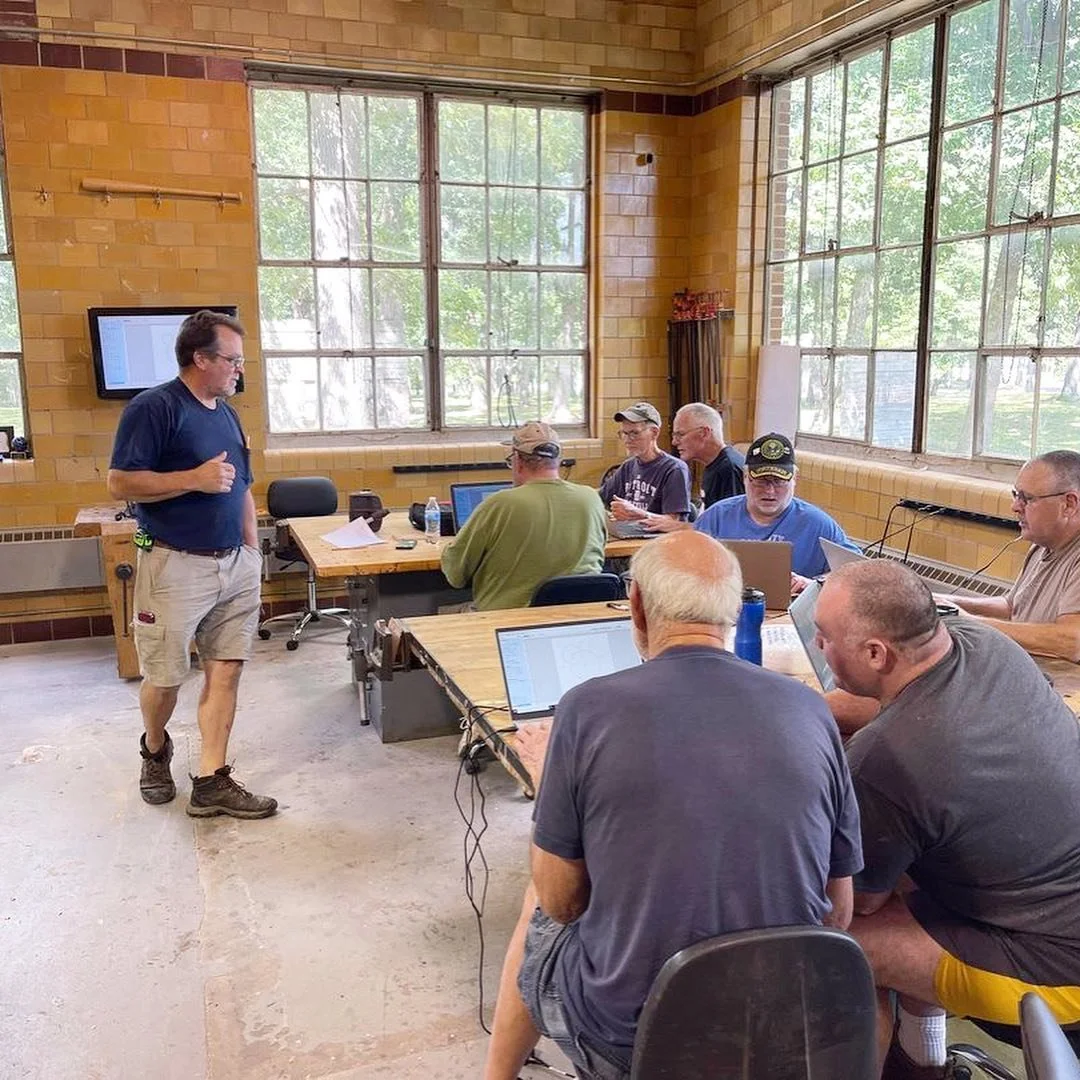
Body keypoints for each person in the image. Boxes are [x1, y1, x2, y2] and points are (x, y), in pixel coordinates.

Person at [482, 531, 863, 1080]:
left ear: (635, 604)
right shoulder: (809, 706)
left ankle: (497, 1074)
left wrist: (551, 785)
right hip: (787, 1028)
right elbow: (839, 912)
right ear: (734, 612)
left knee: (538, 898)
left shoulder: (587, 708)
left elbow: (563, 903)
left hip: (635, 1042)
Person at [814, 560, 1080, 1079]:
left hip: (1055, 962)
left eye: (824, 638)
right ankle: (923, 1058)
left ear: (875, 653)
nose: (820, 648)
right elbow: (903, 707)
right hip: (1050, 894)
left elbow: (857, 905)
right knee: (909, 865)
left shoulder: (884, 763)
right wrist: (802, 706)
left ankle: (900, 1066)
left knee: (839, 944)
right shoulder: (984, 646)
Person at [107, 309, 276, 820]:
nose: (238, 370)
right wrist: (193, 479)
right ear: (200, 358)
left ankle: (210, 780)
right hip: (174, 566)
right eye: (232, 360)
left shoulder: (226, 411)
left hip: (234, 565)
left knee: (226, 670)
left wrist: (251, 550)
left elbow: (241, 483)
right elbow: (120, 482)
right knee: (165, 675)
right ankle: (155, 750)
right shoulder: (154, 408)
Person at [440, 421, 606, 610]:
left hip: (508, 623)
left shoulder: (499, 504)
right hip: (579, 618)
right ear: (559, 459)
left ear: (517, 460)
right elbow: (599, 555)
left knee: (441, 612)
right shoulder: (591, 498)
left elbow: (456, 575)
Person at [939, 449, 1080, 663]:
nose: (1015, 507)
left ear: (1069, 504)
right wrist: (946, 602)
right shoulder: (1042, 545)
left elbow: (1071, 641)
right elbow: (1012, 607)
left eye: (1027, 499)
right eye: (1016, 495)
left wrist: (966, 621)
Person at [694, 432, 858, 588]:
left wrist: (815, 584)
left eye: (779, 482)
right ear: (745, 477)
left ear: (795, 479)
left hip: (790, 614)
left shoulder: (819, 525)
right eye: (760, 481)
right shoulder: (716, 518)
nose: (770, 491)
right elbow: (684, 566)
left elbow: (858, 571)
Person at [635, 402, 745, 533]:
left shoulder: (728, 469)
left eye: (680, 434)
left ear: (704, 432)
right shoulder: (716, 465)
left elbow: (728, 530)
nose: (674, 442)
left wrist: (678, 526)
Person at [598, 401, 691, 521]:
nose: (627, 440)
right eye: (624, 433)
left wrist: (640, 514)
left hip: (658, 537)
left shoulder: (674, 469)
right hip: (629, 533)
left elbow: (675, 521)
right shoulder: (628, 466)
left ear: (654, 433)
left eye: (634, 433)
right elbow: (601, 498)